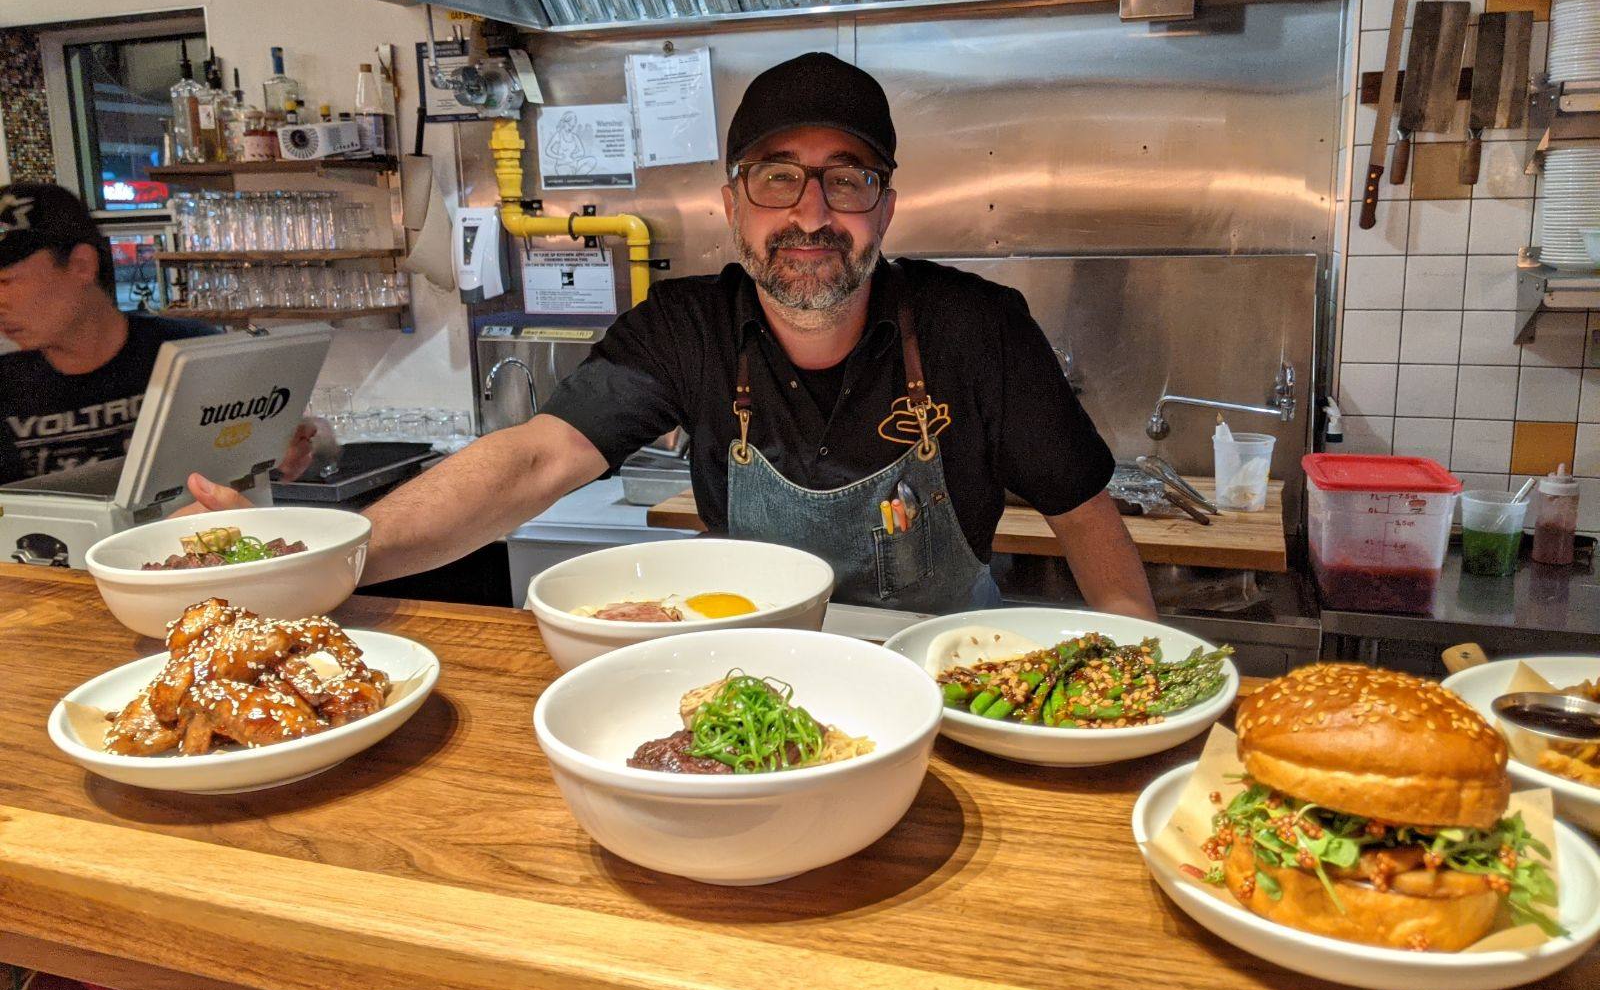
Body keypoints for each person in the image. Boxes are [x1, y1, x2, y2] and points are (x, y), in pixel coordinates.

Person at [185, 53, 1155, 616]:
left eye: (845, 177)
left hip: (949, 682)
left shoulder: (977, 329)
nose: (811, 211)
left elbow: (1084, 519)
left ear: (885, 207)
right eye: (778, 176)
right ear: (734, 207)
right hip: (760, 684)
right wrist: (320, 558)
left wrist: (1144, 716)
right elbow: (529, 463)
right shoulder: (688, 329)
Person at [0, 183, 315, 486]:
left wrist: (280, 454)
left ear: (82, 265)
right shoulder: (7, 383)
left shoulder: (192, 353)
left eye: (7, 282)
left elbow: (277, 449)